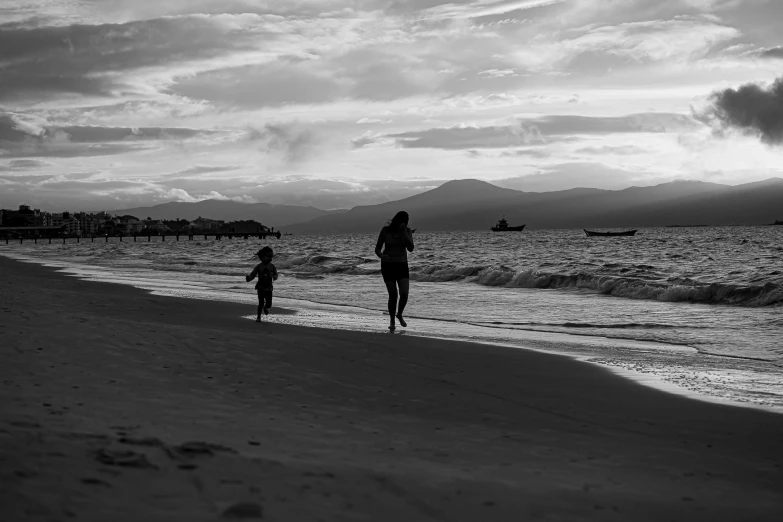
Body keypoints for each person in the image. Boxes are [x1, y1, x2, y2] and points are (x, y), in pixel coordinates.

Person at [375, 211, 414, 331]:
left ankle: (399, 314)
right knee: (393, 294)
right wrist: (382, 256)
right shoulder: (385, 230)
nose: (404, 223)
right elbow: (377, 249)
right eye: (402, 221)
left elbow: (411, 248)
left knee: (404, 294)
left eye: (406, 221)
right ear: (397, 220)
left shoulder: (407, 231)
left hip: (402, 265)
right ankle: (392, 320)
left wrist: (404, 233)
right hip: (388, 265)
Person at [246, 246, 278, 322]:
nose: (270, 258)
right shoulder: (259, 266)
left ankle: (266, 308)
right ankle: (258, 317)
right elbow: (253, 274)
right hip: (260, 287)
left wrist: (274, 276)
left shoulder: (272, 266)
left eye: (271, 257)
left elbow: (276, 275)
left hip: (269, 288)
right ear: (262, 257)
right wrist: (249, 278)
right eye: (268, 256)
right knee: (260, 302)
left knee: (269, 303)